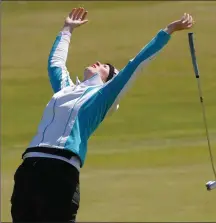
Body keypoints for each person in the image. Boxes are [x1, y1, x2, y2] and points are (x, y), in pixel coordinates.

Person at [10, 7, 194, 223]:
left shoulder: (103, 96)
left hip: (60, 170)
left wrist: (167, 31)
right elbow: (56, 64)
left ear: (109, 79)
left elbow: (136, 65)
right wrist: (67, 29)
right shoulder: (65, 89)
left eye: (106, 67)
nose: (100, 63)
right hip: (29, 168)